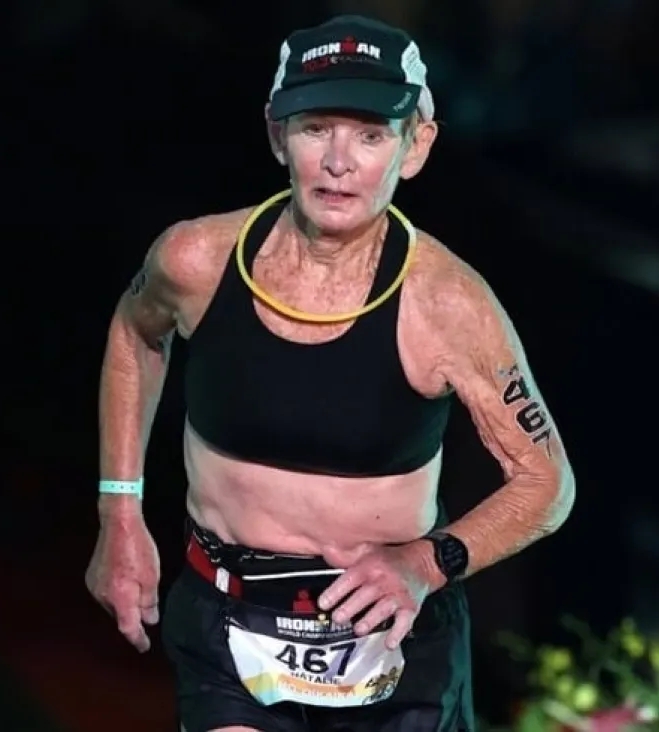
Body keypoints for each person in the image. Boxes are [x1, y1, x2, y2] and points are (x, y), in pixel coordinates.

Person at [85, 14, 576, 732]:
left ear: (416, 147)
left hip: (393, 639)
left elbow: (547, 483)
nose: (338, 162)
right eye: (316, 128)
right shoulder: (195, 261)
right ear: (277, 135)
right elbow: (135, 334)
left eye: (370, 136)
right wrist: (120, 512)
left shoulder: (447, 304)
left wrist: (427, 563)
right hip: (229, 624)